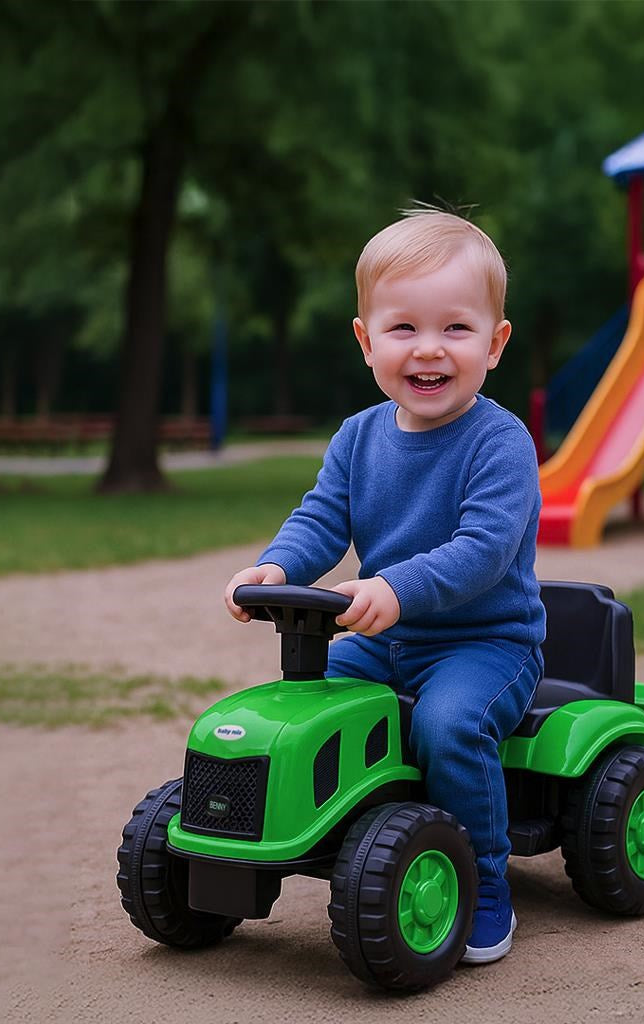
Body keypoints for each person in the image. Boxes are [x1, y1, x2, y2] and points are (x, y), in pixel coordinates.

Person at [224, 209, 545, 964]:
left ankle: (485, 883)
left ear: (494, 344)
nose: (429, 349)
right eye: (403, 328)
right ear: (367, 341)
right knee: (302, 712)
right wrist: (277, 566)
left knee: (448, 728)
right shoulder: (358, 437)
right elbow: (320, 520)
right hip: (379, 639)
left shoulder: (500, 442)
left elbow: (484, 551)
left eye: (456, 330)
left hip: (484, 643)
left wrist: (396, 586)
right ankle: (331, 842)